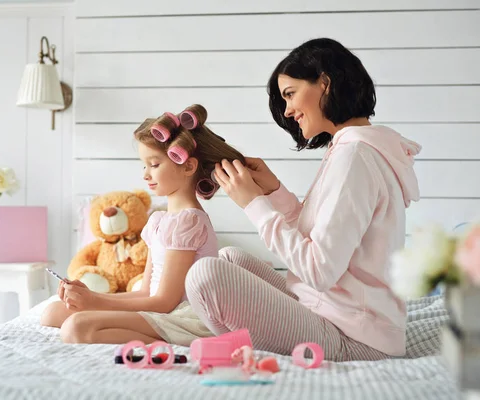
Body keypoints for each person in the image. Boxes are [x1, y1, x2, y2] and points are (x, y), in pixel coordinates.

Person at [184, 38, 422, 361]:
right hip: (333, 311)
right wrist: (273, 192)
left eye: (290, 94)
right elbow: (321, 241)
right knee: (229, 258)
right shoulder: (352, 148)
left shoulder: (355, 156)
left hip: (355, 337)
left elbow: (319, 270)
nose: (288, 110)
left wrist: (254, 205)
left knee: (205, 276)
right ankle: (241, 346)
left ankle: (238, 351)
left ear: (324, 83)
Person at [41, 104, 246, 346]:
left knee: (76, 327)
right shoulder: (159, 220)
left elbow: (164, 302)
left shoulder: (188, 222)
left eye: (155, 165)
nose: (146, 175)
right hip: (159, 310)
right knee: (52, 313)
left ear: (188, 166)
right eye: (144, 165)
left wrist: (95, 303)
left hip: (183, 317)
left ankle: (177, 343)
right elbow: (144, 293)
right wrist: (89, 296)